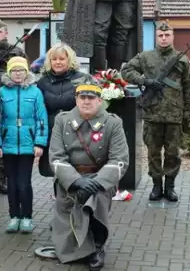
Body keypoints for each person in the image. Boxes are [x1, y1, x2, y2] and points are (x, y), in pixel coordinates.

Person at [49, 80, 129, 269]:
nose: (86, 101)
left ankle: (98, 247)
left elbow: (120, 159)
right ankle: (74, 241)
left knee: (97, 200)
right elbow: (56, 157)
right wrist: (76, 181)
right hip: (71, 177)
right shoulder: (62, 120)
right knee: (67, 224)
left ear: (100, 100)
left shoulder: (113, 123)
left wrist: (98, 182)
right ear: (76, 100)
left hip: (99, 178)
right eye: (82, 97)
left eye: (91, 97)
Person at [121, 21, 190, 202]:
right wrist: (145, 81)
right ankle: (156, 186)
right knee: (153, 152)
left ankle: (169, 187)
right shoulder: (146, 57)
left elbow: (189, 88)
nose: (163, 38)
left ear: (172, 36)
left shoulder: (182, 60)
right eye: (160, 36)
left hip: (174, 115)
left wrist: (188, 113)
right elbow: (126, 71)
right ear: (156, 37)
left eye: (167, 35)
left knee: (172, 154)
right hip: (152, 113)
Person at [0, 56, 48, 233]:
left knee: (24, 183)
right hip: (8, 145)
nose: (18, 74)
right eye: (14, 70)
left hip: (27, 145)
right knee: (12, 184)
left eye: (21, 70)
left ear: (27, 72)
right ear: (9, 72)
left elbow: (41, 119)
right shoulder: (2, 92)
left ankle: (27, 217)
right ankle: (14, 216)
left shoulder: (35, 92)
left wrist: (39, 142)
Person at [36, 43, 93, 179]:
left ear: (69, 60)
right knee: (55, 167)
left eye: (62, 59)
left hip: (76, 130)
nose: (58, 62)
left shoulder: (82, 79)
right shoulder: (43, 82)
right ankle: (60, 195)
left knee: (76, 166)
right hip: (52, 130)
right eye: (54, 59)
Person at [0, 18, 27, 194]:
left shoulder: (16, 51)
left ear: (5, 33)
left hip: (9, 98)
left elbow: (23, 73)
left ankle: (4, 179)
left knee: (6, 137)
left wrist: (0, 75)